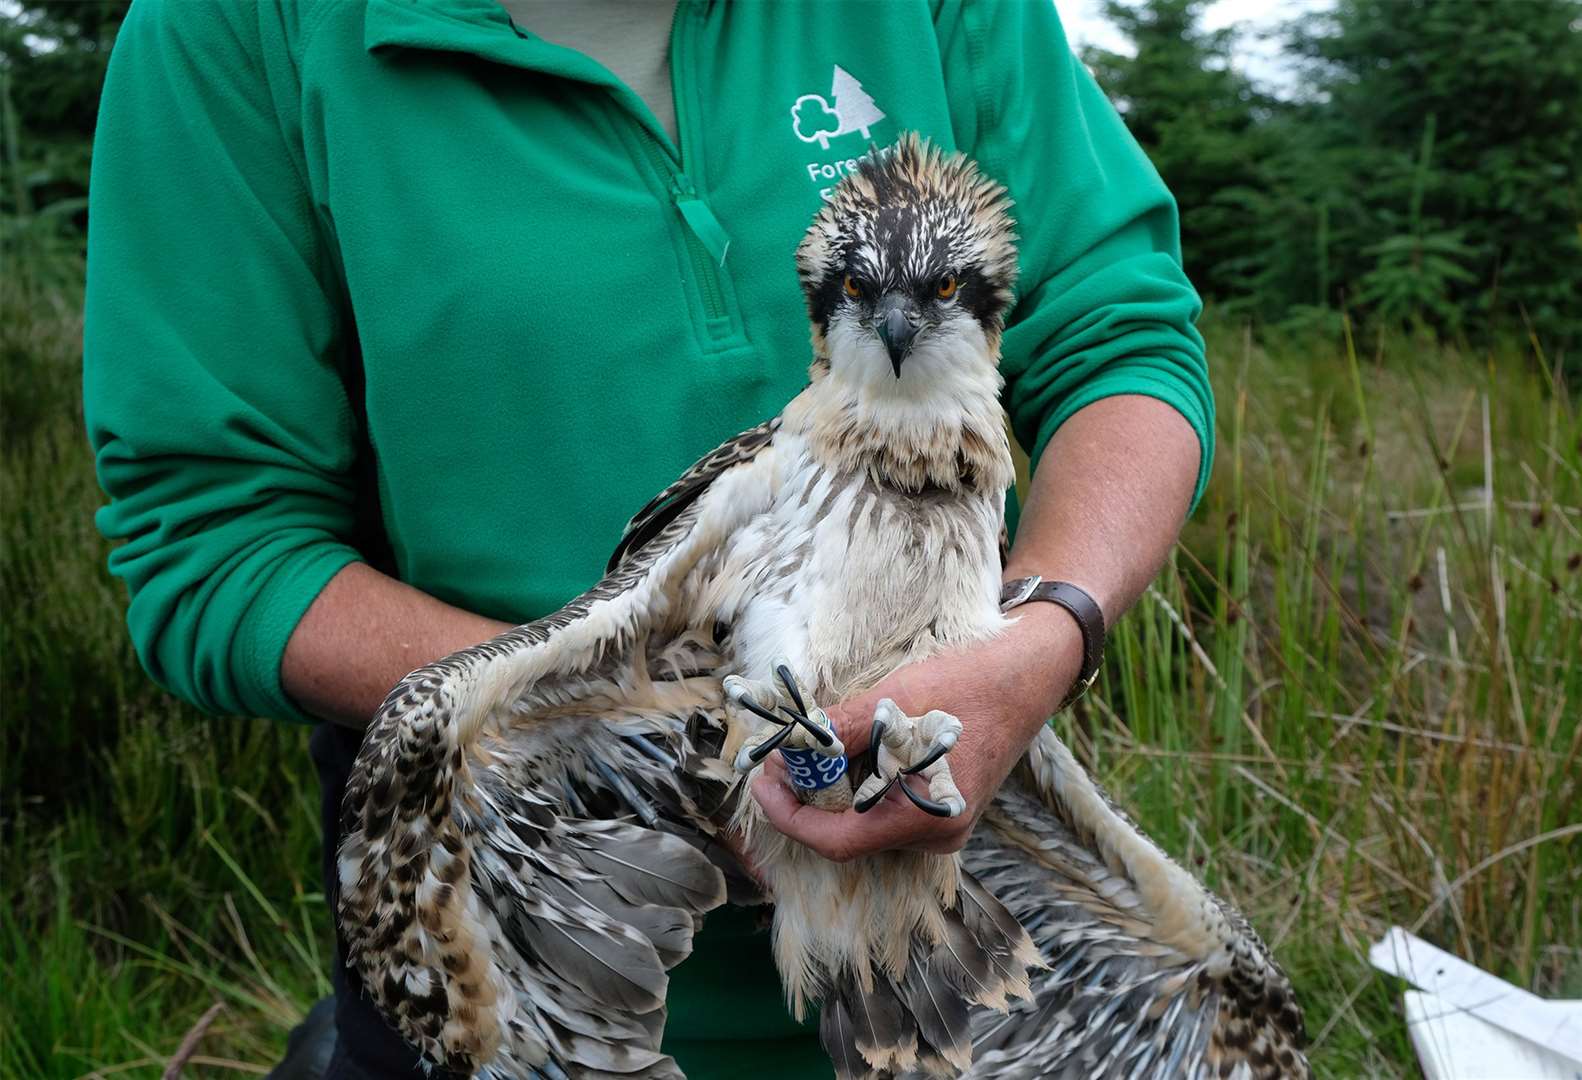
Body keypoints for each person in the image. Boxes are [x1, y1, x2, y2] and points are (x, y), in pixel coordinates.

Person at [84, 1, 1211, 1077]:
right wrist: (616, 742)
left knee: (1225, 1015)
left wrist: (1042, 634)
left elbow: (1119, 335)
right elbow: (218, 544)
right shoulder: (236, 25)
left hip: (961, 962)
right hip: (515, 970)